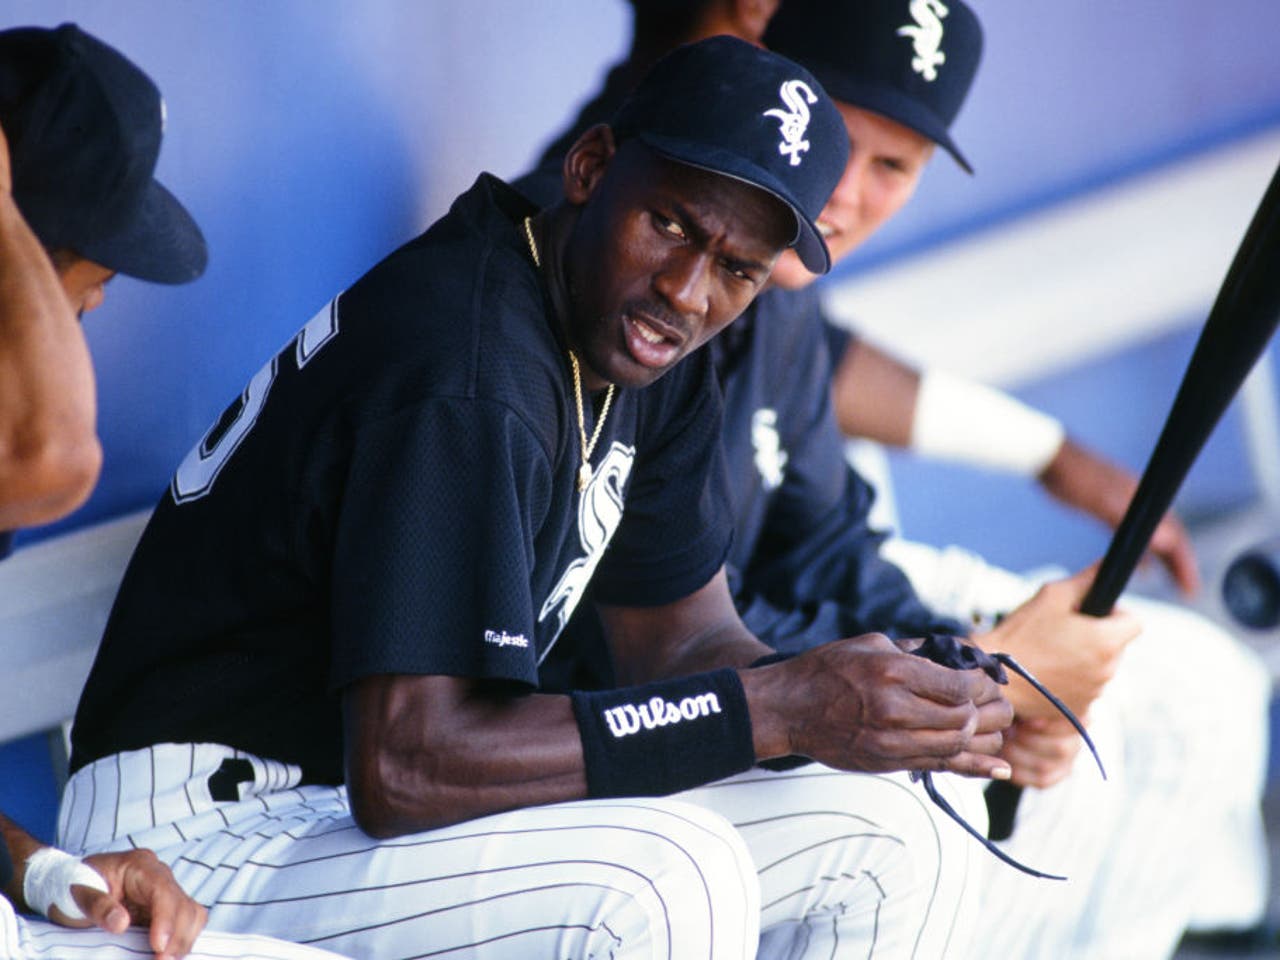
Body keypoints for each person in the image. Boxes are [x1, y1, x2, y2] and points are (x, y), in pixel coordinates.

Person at [60, 36, 1019, 960]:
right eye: (673, 225)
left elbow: (682, 646)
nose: (688, 291)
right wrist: (781, 709)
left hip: (345, 808)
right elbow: (406, 766)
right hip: (206, 826)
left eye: (736, 269)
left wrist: (857, 696)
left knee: (902, 832)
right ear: (591, 168)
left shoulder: (652, 349)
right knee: (664, 882)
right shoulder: (467, 364)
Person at [520, 1, 1273, 956]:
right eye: (837, 133)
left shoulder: (778, 291)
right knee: (907, 823)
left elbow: (831, 538)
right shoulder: (651, 272)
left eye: (893, 168)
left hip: (749, 682)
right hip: (617, 731)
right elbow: (674, 634)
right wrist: (982, 677)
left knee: (1082, 749)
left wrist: (965, 673)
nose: (845, 194)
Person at [0, 22, 349, 960]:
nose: (99, 300)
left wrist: (40, 870)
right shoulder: (25, 439)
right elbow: (57, 457)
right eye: (88, 265)